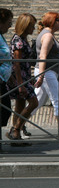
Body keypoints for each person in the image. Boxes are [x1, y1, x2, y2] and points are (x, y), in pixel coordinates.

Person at [34, 12, 59, 139]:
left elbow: (50, 53)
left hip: (47, 71)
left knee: (38, 101)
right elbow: (43, 56)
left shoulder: (49, 35)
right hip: (47, 72)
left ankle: (18, 125)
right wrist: (41, 76)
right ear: (53, 21)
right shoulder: (48, 35)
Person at [6, 13, 39, 143]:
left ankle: (16, 135)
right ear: (25, 26)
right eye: (31, 26)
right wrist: (20, 85)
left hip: (24, 77)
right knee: (34, 103)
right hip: (19, 79)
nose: (34, 28)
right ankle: (15, 128)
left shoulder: (23, 39)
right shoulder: (18, 41)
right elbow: (17, 64)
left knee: (20, 105)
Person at [0, 9, 13, 132]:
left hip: (3, 80)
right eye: (8, 23)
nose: (10, 26)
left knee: (5, 110)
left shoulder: (1, 37)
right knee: (4, 110)